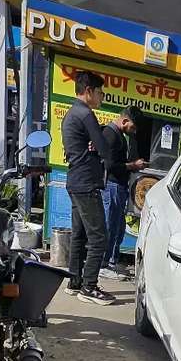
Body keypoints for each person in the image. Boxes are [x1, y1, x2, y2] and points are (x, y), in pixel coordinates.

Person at [61, 70, 114, 305]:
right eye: (100, 92)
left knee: (80, 234)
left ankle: (74, 282)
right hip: (86, 183)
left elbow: (90, 145)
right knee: (99, 238)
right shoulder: (86, 114)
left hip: (74, 181)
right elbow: (104, 149)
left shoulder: (71, 114)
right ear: (89, 91)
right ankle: (89, 287)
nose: (102, 97)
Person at [100, 107, 146, 280]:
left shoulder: (119, 136)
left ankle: (112, 260)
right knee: (110, 226)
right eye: (133, 127)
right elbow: (110, 165)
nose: (133, 132)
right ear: (125, 121)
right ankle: (104, 264)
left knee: (118, 227)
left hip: (119, 186)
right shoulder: (111, 135)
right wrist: (133, 165)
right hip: (111, 185)